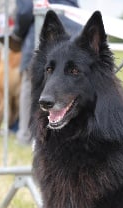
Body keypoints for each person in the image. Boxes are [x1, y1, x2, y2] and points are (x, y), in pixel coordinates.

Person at [7, 0, 82, 145]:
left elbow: (24, 11)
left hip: (45, 41)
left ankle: (25, 137)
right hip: (76, 37)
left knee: (31, 90)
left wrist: (16, 34)